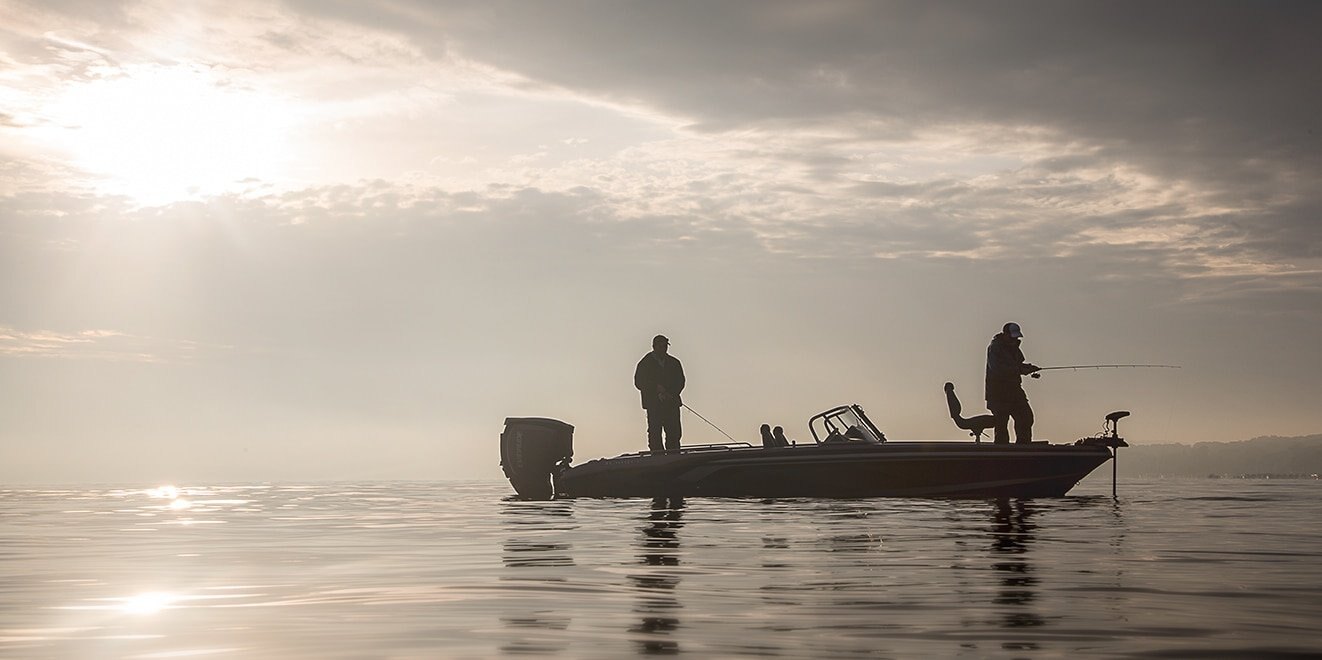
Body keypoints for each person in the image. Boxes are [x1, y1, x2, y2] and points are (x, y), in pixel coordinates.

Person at [985, 322, 1040, 444]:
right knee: (1001, 424)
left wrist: (1028, 368)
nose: (1015, 339)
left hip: (1014, 390)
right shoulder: (994, 348)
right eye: (1012, 336)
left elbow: (1016, 366)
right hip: (998, 393)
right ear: (1005, 334)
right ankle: (1001, 453)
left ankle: (1024, 447)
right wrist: (1020, 369)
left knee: (1026, 418)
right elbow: (997, 369)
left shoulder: (1014, 348)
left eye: (1016, 337)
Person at [634, 334, 685, 452]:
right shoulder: (645, 363)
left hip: (671, 404)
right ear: (654, 346)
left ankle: (674, 456)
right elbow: (639, 382)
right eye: (661, 346)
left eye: (665, 346)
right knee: (655, 433)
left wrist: (670, 393)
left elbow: (680, 381)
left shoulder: (674, 362)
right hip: (654, 405)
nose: (664, 348)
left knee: (674, 432)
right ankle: (657, 458)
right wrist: (655, 388)